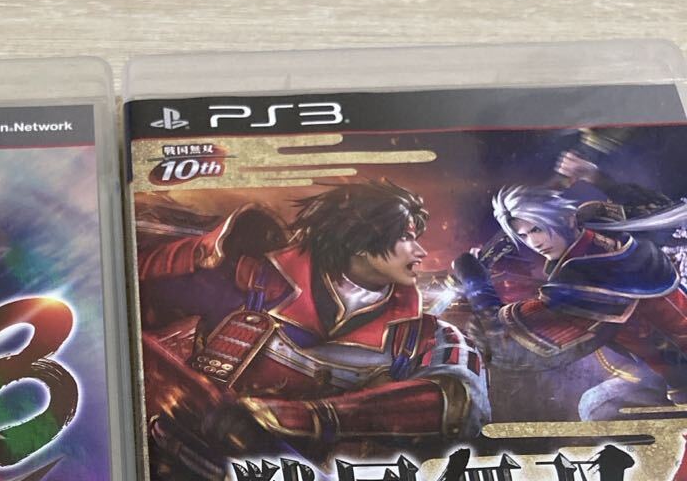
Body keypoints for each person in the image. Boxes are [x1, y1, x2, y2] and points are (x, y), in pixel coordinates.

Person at [138, 181, 488, 455]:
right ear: (359, 239)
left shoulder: (425, 336)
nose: (419, 251)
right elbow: (130, 308)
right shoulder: (242, 277)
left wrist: (300, 418)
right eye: (406, 238)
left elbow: (461, 401)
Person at [453, 182, 687, 420]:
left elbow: (507, 346)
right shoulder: (602, 231)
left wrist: (475, 282)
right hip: (667, 363)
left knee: (598, 409)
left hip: (679, 378)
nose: (534, 243)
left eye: (537, 229)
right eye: (523, 235)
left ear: (567, 220)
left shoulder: (590, 273)